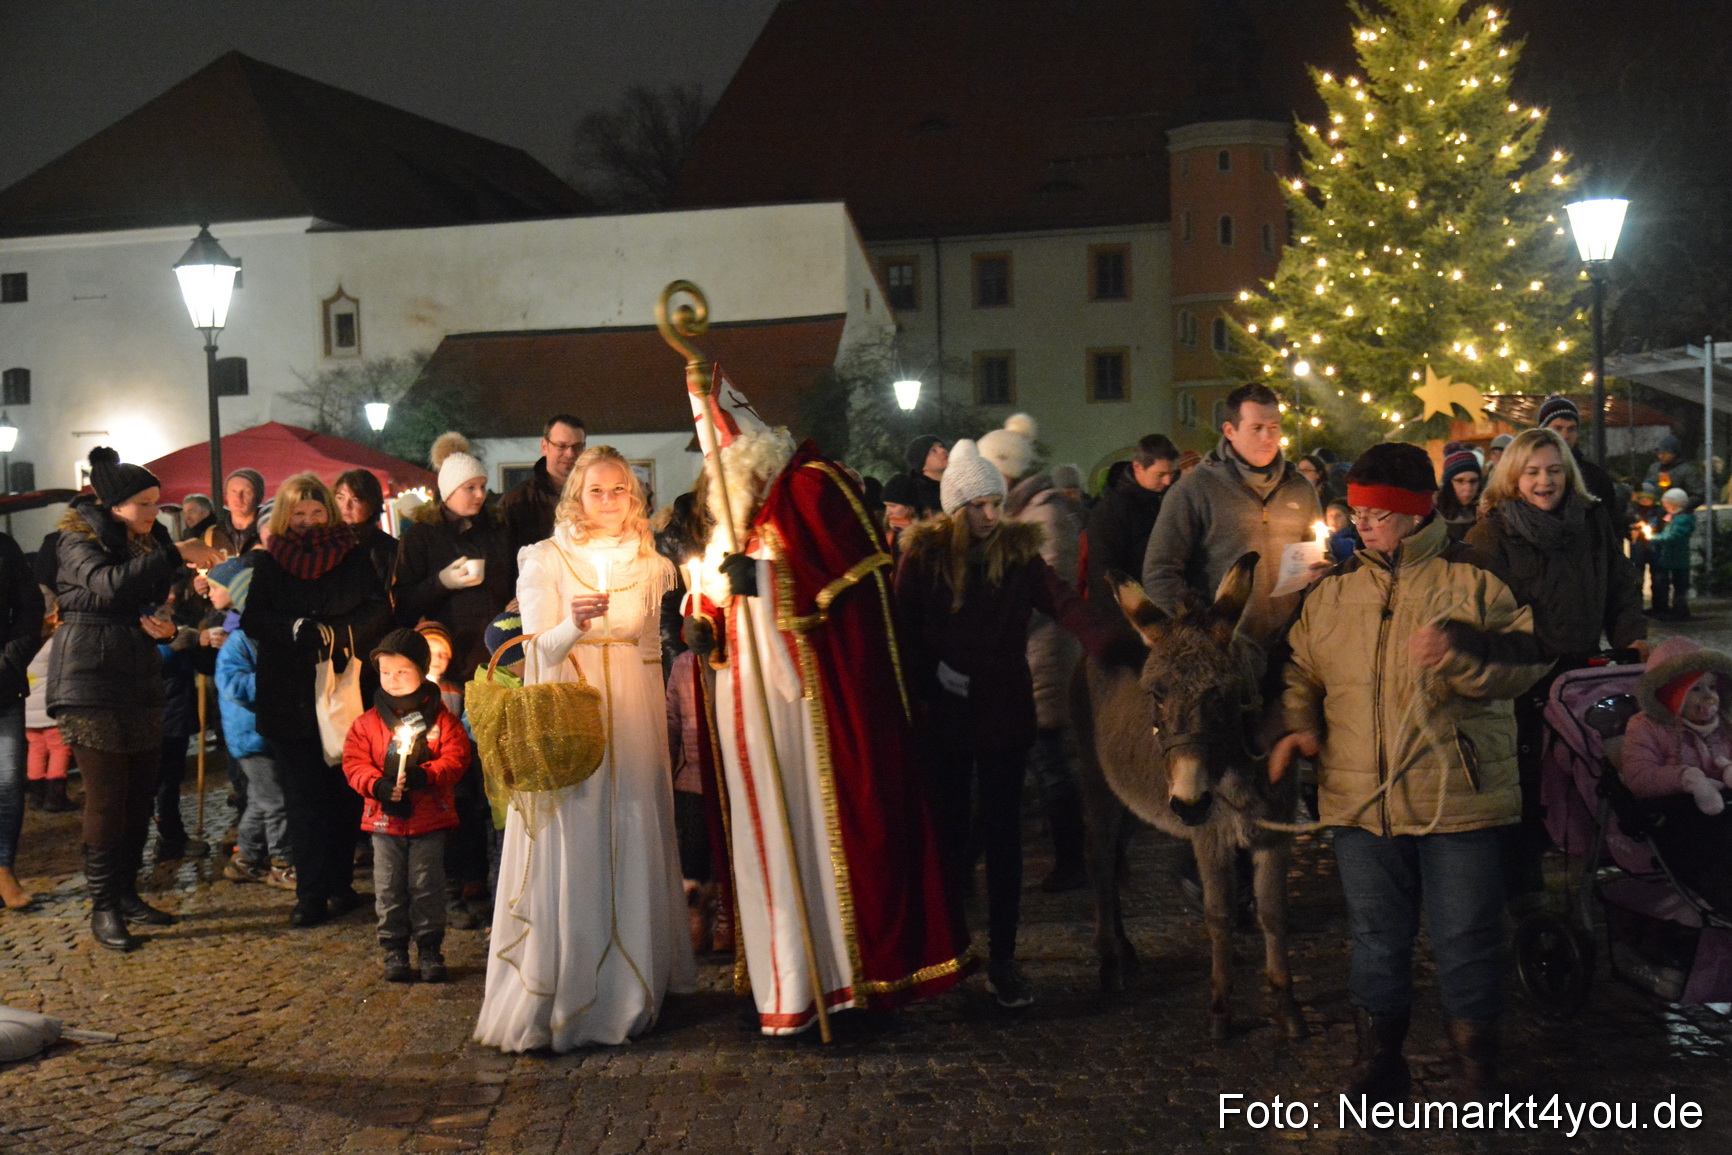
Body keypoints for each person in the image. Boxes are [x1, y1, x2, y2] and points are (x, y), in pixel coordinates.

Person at [1272, 442, 1549, 1102]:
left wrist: (1460, 651)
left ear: (1413, 514)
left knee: (1466, 936)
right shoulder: (1334, 593)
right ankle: (1378, 1059)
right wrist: (1301, 723)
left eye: (1375, 514)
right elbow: (1299, 670)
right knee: (1375, 939)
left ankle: (1476, 1066)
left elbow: (1529, 657)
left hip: (1457, 793)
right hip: (1360, 798)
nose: (1359, 524)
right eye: (1357, 512)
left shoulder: (1474, 579)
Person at [693, 429, 969, 1034]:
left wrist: (759, 583)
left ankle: (838, 986)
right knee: (766, 841)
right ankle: (784, 985)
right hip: (749, 708)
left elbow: (831, 609)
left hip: (804, 716)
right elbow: (718, 607)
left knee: (816, 840)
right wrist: (702, 628)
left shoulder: (811, 497)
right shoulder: (736, 530)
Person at [475, 444, 695, 1051]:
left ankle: (635, 981)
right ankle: (572, 988)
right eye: (595, 491)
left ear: (634, 496)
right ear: (576, 496)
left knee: (632, 832)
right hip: (574, 708)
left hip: (634, 712)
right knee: (580, 836)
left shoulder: (651, 564)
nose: (608, 501)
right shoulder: (545, 557)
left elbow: (652, 652)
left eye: (619, 490)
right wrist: (574, 622)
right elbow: (537, 649)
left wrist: (656, 732)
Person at [895, 438, 1109, 1007]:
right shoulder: (924, 557)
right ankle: (947, 951)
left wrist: (1106, 644)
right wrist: (934, 673)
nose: (992, 515)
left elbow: (1061, 601)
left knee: (1004, 836)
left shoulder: (1017, 554)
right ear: (956, 508)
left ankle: (1005, 957)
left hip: (1004, 714)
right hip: (945, 718)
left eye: (996, 503)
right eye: (979, 506)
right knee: (947, 833)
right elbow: (904, 630)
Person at [1466, 428, 1647, 907]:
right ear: (1514, 478)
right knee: (1525, 778)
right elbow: (1479, 605)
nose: (1544, 481)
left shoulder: (1589, 521)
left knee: (1592, 770)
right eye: (1532, 472)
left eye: (1552, 470)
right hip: (1524, 673)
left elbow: (1620, 583)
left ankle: (1593, 866)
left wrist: (1631, 635)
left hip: (1584, 669)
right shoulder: (1492, 531)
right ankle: (1523, 886)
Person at [50, 448, 221, 949]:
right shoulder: (75, 540)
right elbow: (105, 585)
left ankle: (126, 893)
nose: (153, 514)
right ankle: (103, 908)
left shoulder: (139, 542)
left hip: (139, 678)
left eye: (155, 504)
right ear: (115, 505)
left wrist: (167, 631)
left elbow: (146, 603)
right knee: (106, 799)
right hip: (88, 681)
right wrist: (172, 553)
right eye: (144, 505)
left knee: (138, 796)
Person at [241, 472, 393, 928]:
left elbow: (378, 609)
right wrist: (294, 630)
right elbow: (254, 620)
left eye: (316, 512)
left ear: (328, 512)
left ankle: (339, 884)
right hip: (290, 698)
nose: (308, 522)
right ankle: (310, 893)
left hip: (344, 689)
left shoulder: (353, 557)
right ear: (287, 517)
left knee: (345, 793)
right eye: (299, 514)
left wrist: (339, 635)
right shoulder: (269, 564)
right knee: (302, 797)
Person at [393, 432, 514, 929]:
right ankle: (465, 879)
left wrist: (515, 601)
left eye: (483, 485)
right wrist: (441, 582)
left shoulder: (496, 533)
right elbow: (401, 600)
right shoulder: (422, 538)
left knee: (497, 771)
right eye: (470, 487)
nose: (480, 494)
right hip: (449, 671)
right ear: (447, 491)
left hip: (496, 665)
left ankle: (502, 873)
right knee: (455, 776)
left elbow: (514, 578)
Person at [983, 414, 1089, 893]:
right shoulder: (1018, 512)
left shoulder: (1044, 513)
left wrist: (1002, 620)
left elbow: (1049, 589)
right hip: (1021, 653)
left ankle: (1073, 858)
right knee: (1036, 762)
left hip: (1040, 654)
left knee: (1050, 762)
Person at [1142, 383, 1324, 646]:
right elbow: (1160, 570)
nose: (1267, 437)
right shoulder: (1194, 490)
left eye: (1274, 427)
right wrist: (1197, 632)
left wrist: (1320, 579)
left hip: (1292, 644)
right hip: (1225, 648)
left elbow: (1316, 559)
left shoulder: (1300, 489)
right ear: (1230, 431)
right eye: (1257, 428)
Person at [343, 628, 472, 984]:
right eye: (387, 672)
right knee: (388, 887)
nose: (394, 679)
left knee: (427, 885)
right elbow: (354, 763)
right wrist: (378, 785)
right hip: (384, 822)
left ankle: (430, 947)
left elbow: (457, 757)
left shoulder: (442, 719)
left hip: (429, 820)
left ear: (421, 670)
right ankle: (394, 948)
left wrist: (424, 777)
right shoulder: (367, 723)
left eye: (402, 671)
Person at [1622, 636, 1732, 913]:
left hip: (1726, 813)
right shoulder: (1645, 728)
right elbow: (1639, 776)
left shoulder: (1726, 725)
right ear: (1671, 695)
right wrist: (1685, 777)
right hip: (1679, 819)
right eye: (1695, 690)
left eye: (1712, 687)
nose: (1709, 696)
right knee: (1712, 863)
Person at [1, 530, 47, 910]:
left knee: (9, 782)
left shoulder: (3, 546)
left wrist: (10, 660)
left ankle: (3, 869)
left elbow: (30, 606)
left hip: (2, 685)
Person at [1084, 433, 1177, 611]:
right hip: (1127, 615)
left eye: (1172, 473)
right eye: (1160, 474)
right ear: (1137, 467)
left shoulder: (1168, 499)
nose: (1168, 481)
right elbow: (1105, 571)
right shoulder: (1111, 510)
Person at [499, 414, 586, 552]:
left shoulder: (595, 496)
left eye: (577, 447)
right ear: (545, 447)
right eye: (561, 446)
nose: (570, 454)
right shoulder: (517, 501)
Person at [24, 598, 75, 813]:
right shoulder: (53, 643)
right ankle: (56, 796)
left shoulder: (22, 641)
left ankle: (36, 795)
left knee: (36, 749)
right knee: (60, 747)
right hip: (49, 709)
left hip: (27, 711)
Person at [1534, 394, 1620, 515]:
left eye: (1571, 429)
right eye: (1558, 428)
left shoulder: (1595, 476)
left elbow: (1611, 521)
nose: (1565, 436)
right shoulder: (1528, 473)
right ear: (1543, 430)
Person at [333, 469, 398, 601]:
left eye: (355, 500)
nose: (346, 506)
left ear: (371, 506)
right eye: (340, 497)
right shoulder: (323, 541)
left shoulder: (389, 549)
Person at [1649, 488, 1696, 621]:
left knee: (1680, 586)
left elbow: (1673, 537)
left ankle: (1680, 611)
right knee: (1675, 585)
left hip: (1678, 559)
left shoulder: (1683, 519)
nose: (1664, 507)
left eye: (1667, 504)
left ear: (1675, 504)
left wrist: (1653, 538)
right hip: (1670, 557)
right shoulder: (1676, 518)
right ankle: (1673, 610)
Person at [202, 468, 267, 557]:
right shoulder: (211, 536)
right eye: (233, 491)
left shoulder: (271, 534)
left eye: (247, 492)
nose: (238, 498)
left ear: (258, 497)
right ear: (226, 495)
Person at [1643, 432, 1706, 512]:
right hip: (1654, 511)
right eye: (1659, 453)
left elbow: (1698, 495)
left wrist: (1679, 506)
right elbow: (1648, 487)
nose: (1661, 456)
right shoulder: (1654, 468)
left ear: (1674, 453)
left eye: (1665, 453)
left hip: (1679, 514)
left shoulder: (1687, 470)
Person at [1434, 443, 1483, 541]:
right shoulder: (1431, 514)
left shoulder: (1486, 511)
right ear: (1449, 483)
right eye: (1460, 481)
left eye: (1473, 481)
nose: (1468, 488)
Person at [904, 434, 948, 520]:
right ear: (922, 465)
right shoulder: (925, 501)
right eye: (933, 450)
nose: (942, 450)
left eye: (941, 446)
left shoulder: (959, 480)